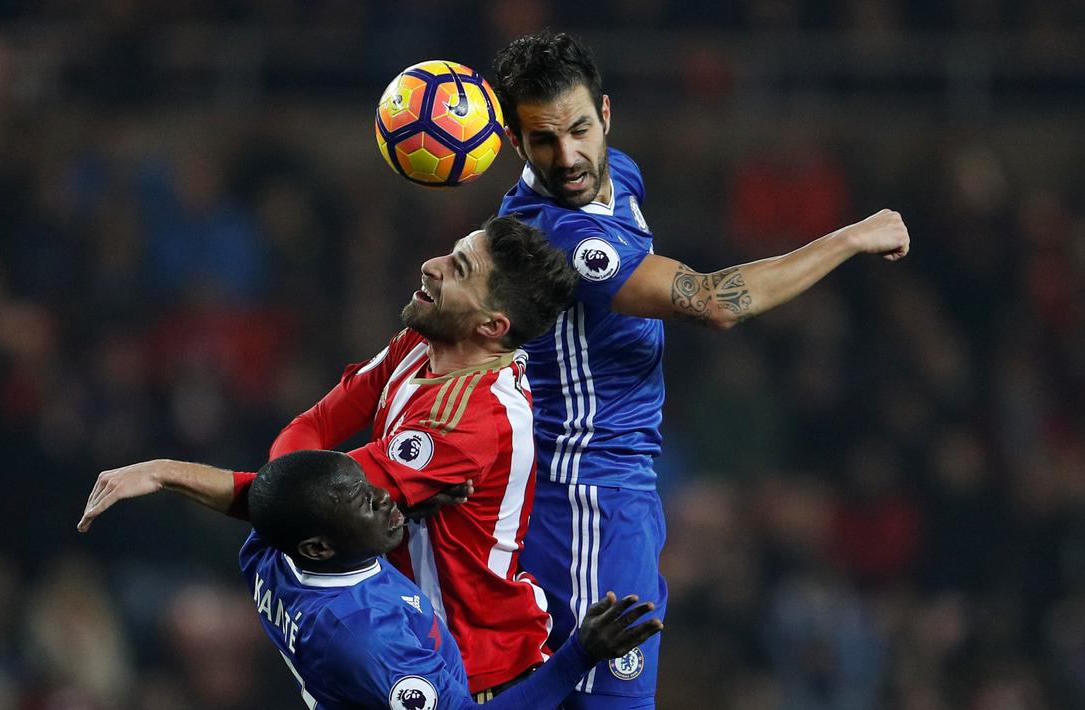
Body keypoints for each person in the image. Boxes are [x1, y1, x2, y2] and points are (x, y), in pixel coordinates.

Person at [490, 31, 912, 708]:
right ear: (516, 144)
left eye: (576, 130)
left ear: (604, 113)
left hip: (617, 491)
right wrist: (853, 236)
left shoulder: (615, 173)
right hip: (582, 503)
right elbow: (713, 302)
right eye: (542, 140)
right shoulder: (559, 236)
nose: (566, 157)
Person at [81, 214, 581, 699]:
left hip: (474, 667)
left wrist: (167, 472)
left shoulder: (469, 420)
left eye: (459, 269)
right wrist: (297, 479)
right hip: (391, 633)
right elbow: (308, 437)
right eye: (451, 253)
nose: (432, 265)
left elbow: (294, 500)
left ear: (492, 325)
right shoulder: (420, 343)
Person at [79, 449, 662, 709]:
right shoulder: (368, 642)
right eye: (365, 504)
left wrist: (160, 471)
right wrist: (580, 654)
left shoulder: (269, 552)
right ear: (321, 545)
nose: (388, 500)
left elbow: (256, 498)